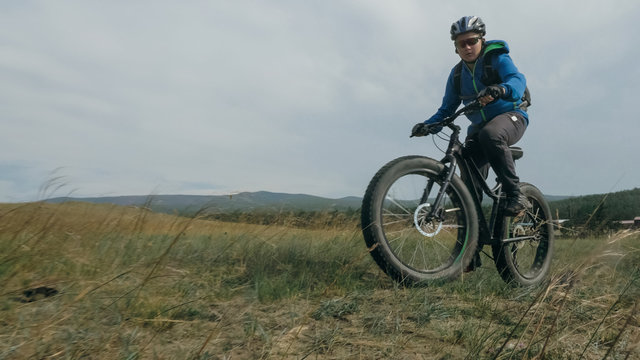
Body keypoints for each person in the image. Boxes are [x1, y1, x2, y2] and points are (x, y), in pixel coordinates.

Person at [412, 15, 530, 216]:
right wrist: (428, 125)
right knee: (467, 163)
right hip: (480, 126)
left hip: (512, 115)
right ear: (455, 48)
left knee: (491, 134)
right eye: (461, 44)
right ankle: (472, 228)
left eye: (471, 41)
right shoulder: (457, 75)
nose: (467, 47)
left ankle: (516, 195)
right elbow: (446, 110)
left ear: (482, 40)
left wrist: (500, 89)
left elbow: (517, 80)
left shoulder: (496, 59)